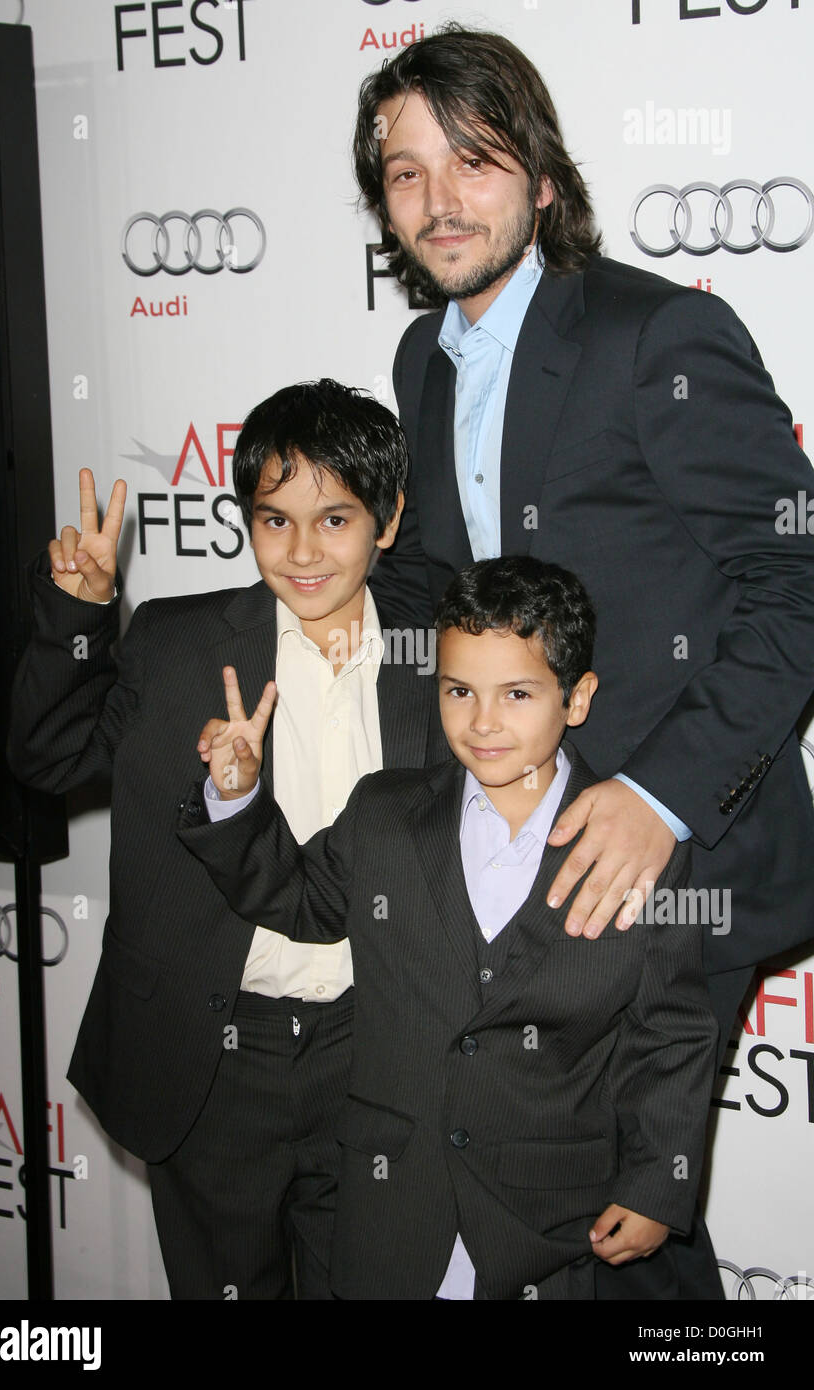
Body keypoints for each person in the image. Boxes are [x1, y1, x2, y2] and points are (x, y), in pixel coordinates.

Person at [353, 26, 814, 1297]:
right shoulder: (423, 360)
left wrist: (662, 798)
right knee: (533, 1204)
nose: (440, 201)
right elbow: (443, 577)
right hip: (521, 845)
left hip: (669, 860)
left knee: (632, 1220)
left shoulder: (656, 336)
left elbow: (795, 575)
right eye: (405, 173)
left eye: (474, 160)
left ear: (541, 181)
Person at [7, 379, 447, 1299]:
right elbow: (47, 759)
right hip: (213, 1058)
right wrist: (78, 615)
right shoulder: (177, 645)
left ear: (389, 519)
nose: (302, 551)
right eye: (274, 520)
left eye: (334, 519)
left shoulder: (444, 655)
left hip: (374, 1053)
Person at [178, 555, 719, 1301]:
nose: (483, 721)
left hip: (552, 1231)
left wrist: (660, 1185)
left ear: (578, 697)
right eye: (459, 691)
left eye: (518, 694)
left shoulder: (634, 846)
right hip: (391, 1219)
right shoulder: (384, 814)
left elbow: (671, 1031)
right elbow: (297, 900)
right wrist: (234, 798)